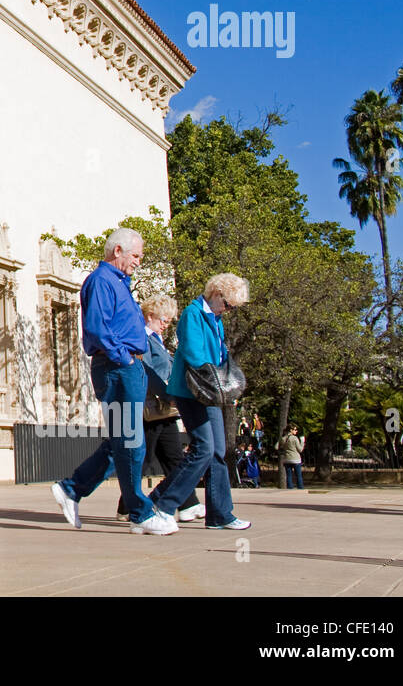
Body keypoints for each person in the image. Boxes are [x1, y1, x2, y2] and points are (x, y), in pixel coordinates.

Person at [51, 229, 176, 535]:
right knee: (131, 441)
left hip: (125, 368)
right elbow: (96, 329)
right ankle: (140, 513)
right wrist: (124, 358)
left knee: (124, 441)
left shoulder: (117, 282)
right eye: (136, 255)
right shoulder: (102, 281)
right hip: (118, 368)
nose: (139, 261)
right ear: (118, 250)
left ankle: (72, 489)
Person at [149, 273, 252, 530]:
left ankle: (220, 514)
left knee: (217, 452)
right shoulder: (192, 314)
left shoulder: (215, 319)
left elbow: (221, 354)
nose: (228, 310)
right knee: (204, 449)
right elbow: (194, 354)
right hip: (191, 392)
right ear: (217, 294)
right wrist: (216, 378)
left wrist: (226, 385)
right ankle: (162, 504)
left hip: (211, 393)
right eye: (228, 304)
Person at [115, 295, 203, 521]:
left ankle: (187, 503)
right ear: (150, 315)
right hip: (150, 408)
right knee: (143, 460)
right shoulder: (142, 339)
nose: (166, 324)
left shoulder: (157, 340)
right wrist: (168, 394)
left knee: (173, 458)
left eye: (170, 320)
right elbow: (148, 372)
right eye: (164, 319)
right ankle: (128, 506)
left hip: (163, 410)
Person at [279, 423, 305, 489]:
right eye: (295, 430)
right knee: (298, 475)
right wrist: (302, 442)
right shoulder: (294, 438)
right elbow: (300, 449)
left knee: (289, 475)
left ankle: (290, 488)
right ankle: (300, 488)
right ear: (291, 430)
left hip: (287, 459)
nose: (296, 431)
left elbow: (279, 447)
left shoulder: (283, 438)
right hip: (295, 459)